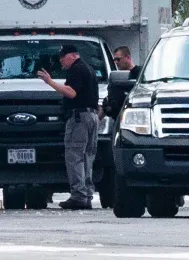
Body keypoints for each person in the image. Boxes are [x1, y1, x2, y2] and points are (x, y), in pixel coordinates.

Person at [37, 44, 99, 210]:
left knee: (74, 155)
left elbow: (71, 93)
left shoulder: (76, 70)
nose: (61, 61)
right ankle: (86, 195)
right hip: (92, 116)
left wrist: (49, 81)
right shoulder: (89, 69)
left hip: (79, 117)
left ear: (73, 55)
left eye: (62, 58)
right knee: (87, 156)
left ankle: (78, 195)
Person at [100, 46, 142, 120]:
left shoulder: (140, 74)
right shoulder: (116, 77)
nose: (116, 62)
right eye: (114, 60)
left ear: (128, 57)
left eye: (118, 59)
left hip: (135, 117)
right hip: (117, 119)